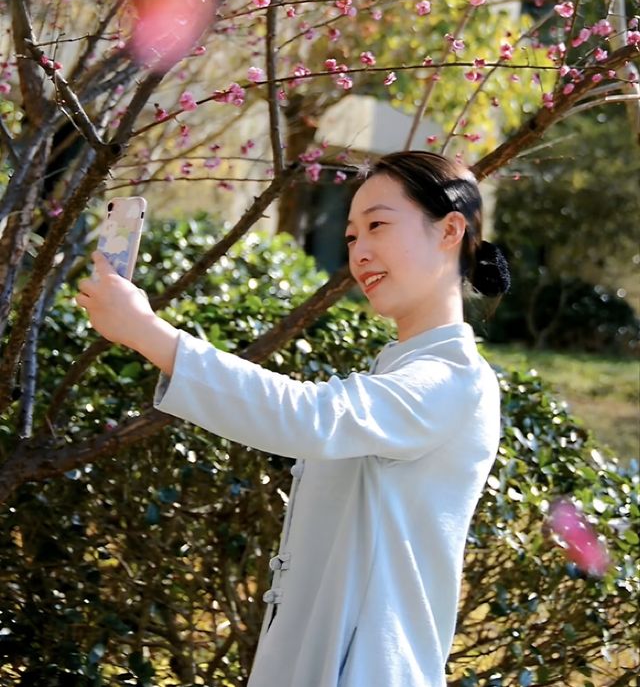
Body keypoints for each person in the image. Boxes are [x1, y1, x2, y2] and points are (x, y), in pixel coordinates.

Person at [76, 150, 511, 687]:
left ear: (449, 231)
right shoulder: (399, 373)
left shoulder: (453, 380)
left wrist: (149, 333)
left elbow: (307, 417)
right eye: (351, 237)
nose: (360, 252)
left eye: (377, 225)